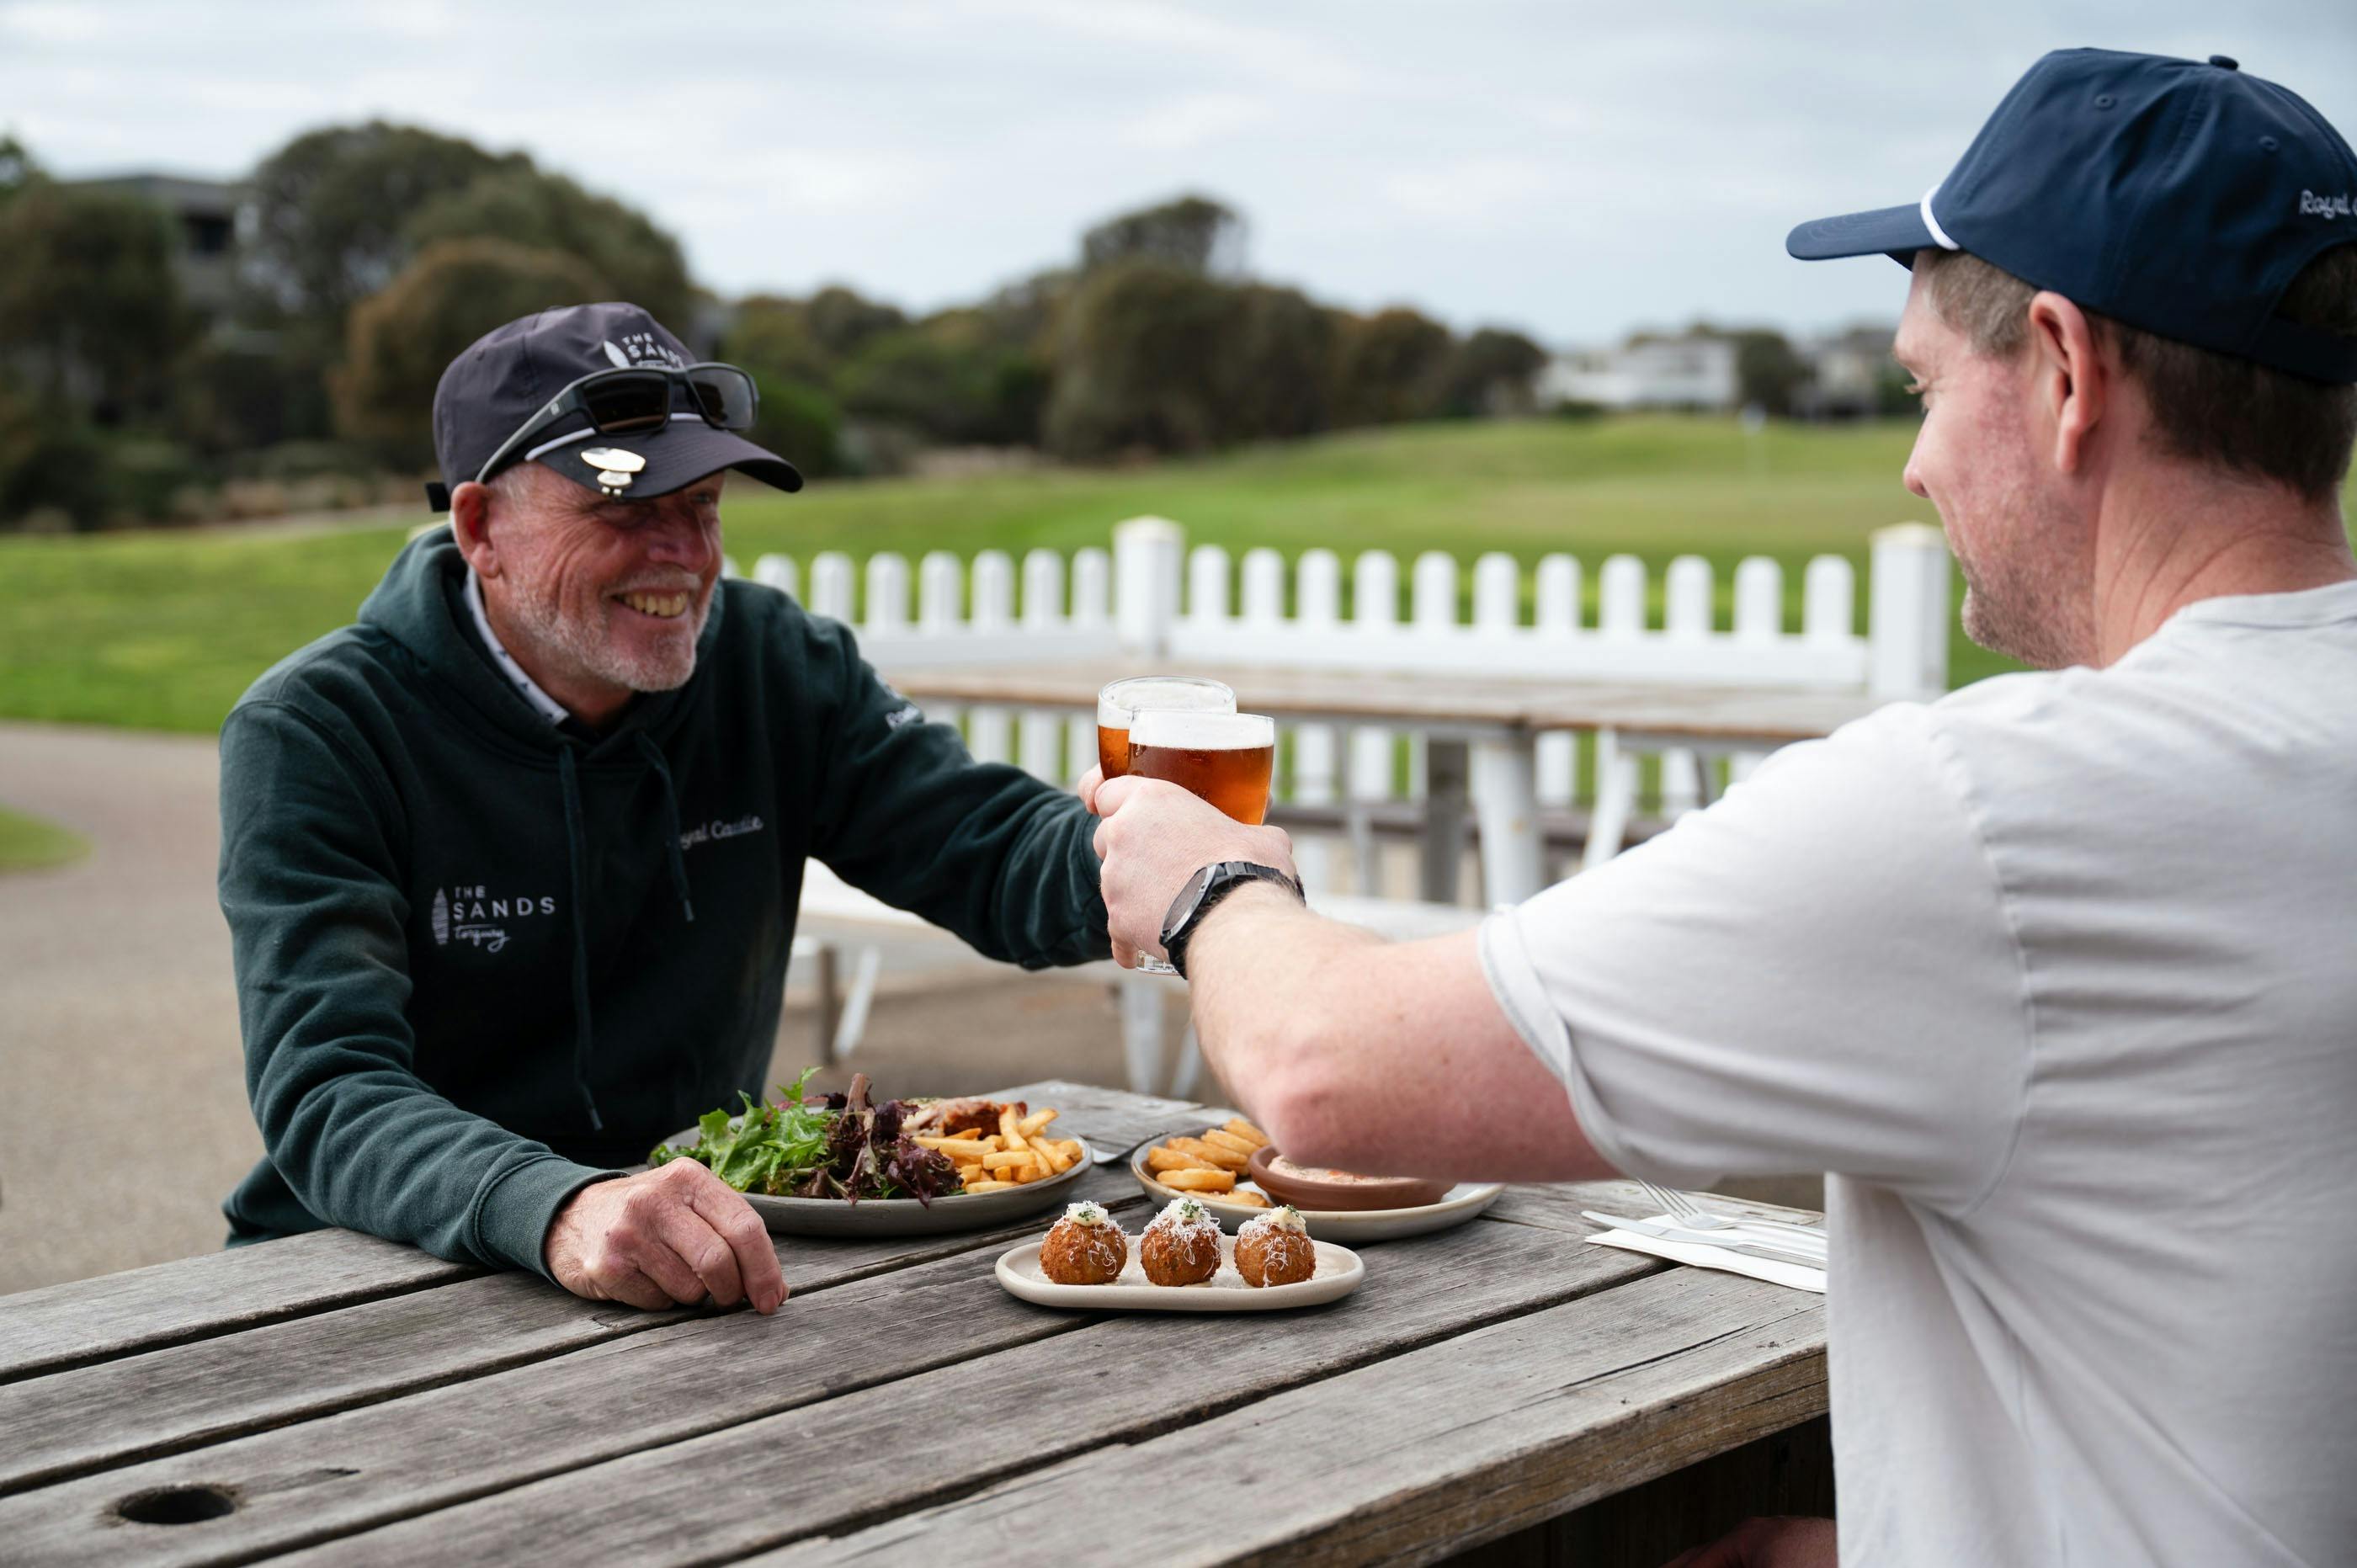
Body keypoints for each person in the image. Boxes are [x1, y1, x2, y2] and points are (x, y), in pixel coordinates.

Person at [1088, 49, 2357, 1567]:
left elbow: (1329, 1069)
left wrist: (1207, 882)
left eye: (1926, 388)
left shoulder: (2002, 817)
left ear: (2068, 370)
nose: (1912, 466)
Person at [218, 303, 1108, 1317]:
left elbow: (986, 850)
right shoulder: (319, 728)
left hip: (688, 1260)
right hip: (363, 1275)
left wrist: (1164, 870)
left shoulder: (776, 663)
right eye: (625, 507)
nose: (683, 553)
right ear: (481, 529)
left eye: (704, 503)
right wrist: (557, 1203)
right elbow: (328, 1094)